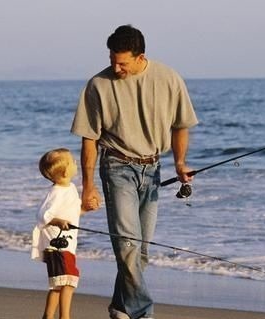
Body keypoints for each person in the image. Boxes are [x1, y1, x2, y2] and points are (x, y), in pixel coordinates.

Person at [71, 25, 198, 319]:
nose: (116, 67)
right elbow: (89, 139)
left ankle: (120, 306)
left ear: (141, 56)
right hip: (116, 167)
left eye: (123, 62)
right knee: (127, 245)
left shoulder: (169, 79)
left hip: (152, 168)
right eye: (113, 60)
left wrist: (180, 164)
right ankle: (143, 313)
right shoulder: (98, 85)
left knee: (139, 252)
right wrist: (87, 186)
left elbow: (181, 125)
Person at [31, 148, 87, 319]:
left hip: (67, 244)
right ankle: (65, 317)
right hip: (57, 245)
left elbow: (71, 214)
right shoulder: (56, 192)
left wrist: (84, 209)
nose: (76, 163)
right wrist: (57, 221)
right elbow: (42, 215)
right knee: (68, 282)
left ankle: (48, 316)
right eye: (73, 162)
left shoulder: (69, 188)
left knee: (58, 284)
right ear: (64, 171)